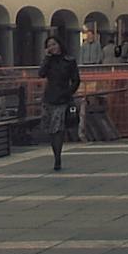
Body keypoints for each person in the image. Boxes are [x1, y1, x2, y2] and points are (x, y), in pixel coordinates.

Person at [40, 34, 81, 172]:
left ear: (60, 45)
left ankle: (57, 158)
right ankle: (55, 153)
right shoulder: (49, 61)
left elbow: (76, 79)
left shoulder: (69, 61)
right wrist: (47, 58)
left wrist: (69, 92)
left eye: (54, 44)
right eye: (49, 45)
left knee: (58, 128)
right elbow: (41, 74)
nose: (52, 47)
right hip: (49, 97)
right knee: (51, 129)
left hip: (62, 98)